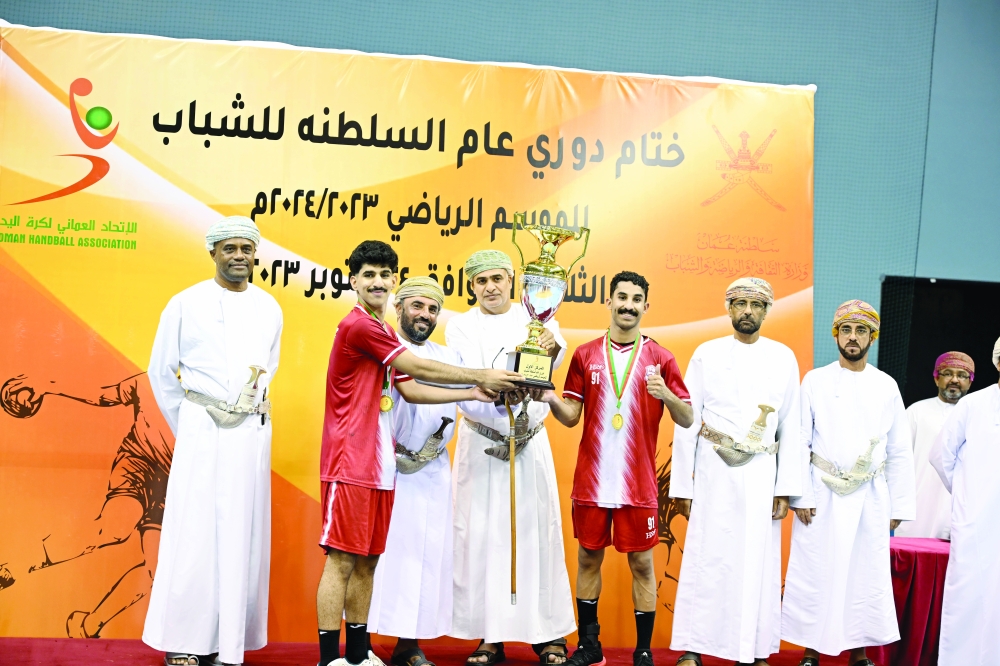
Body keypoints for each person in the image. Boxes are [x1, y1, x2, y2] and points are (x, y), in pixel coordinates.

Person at [317, 242, 521, 666]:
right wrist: (481, 375)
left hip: (379, 465)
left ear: (392, 281)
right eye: (368, 274)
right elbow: (419, 369)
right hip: (350, 461)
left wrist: (474, 392)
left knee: (369, 561)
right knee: (341, 562)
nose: (377, 282)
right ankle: (328, 659)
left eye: (384, 275)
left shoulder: (381, 331)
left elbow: (410, 388)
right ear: (354, 281)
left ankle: (358, 658)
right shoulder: (361, 326)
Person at [143, 215, 283, 666]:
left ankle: (229, 644)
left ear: (255, 254)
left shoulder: (270, 307)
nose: (239, 256)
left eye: (246, 248)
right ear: (213, 253)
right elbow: (161, 372)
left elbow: (269, 369)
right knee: (194, 533)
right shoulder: (185, 303)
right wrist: (191, 424)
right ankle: (183, 640)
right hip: (201, 431)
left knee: (242, 534)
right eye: (230, 248)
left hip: (251, 436)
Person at [542, 271, 693, 666]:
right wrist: (548, 396)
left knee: (642, 563)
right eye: (621, 297)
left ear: (646, 306)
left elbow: (688, 417)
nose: (628, 305)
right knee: (588, 559)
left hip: (637, 485)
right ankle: (589, 647)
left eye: (636, 299)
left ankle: (643, 650)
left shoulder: (661, 358)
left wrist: (666, 395)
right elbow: (571, 416)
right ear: (609, 302)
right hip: (592, 482)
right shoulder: (585, 354)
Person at [367, 277, 513, 666]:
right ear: (398, 307)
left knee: (422, 560)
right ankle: (360, 643)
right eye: (417, 306)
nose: (425, 315)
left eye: (433, 309)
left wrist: (509, 399)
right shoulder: (383, 348)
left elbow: (476, 404)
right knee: (375, 558)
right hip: (387, 469)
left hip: (432, 471)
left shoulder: (449, 357)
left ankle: (408, 645)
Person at [445, 249, 576, 666]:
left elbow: (550, 361)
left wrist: (550, 348)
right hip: (482, 442)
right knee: (484, 538)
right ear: (471, 286)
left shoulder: (537, 318)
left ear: (512, 280)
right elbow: (470, 378)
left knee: (538, 536)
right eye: (481, 281)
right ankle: (490, 636)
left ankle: (548, 634)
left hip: (530, 443)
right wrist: (503, 391)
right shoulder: (460, 325)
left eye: (497, 278)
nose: (490, 288)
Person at [669, 277, 802, 666]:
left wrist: (785, 489)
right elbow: (688, 421)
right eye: (740, 304)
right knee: (706, 558)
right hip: (714, 473)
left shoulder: (783, 357)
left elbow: (790, 426)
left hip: (762, 476)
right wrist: (683, 486)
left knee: (757, 562)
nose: (747, 311)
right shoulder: (706, 354)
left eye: (756, 305)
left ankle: (755, 651)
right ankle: (693, 648)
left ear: (766, 311)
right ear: (728, 308)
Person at [782, 300, 916, 666]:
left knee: (864, 574)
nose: (852, 337)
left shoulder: (886, 385)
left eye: (860, 331)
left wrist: (898, 506)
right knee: (816, 570)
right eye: (846, 330)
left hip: (870, 498)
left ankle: (859, 653)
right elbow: (799, 439)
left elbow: (899, 450)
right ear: (836, 335)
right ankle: (811, 651)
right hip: (821, 493)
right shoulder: (815, 380)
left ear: (872, 337)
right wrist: (800, 495)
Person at [0, 373, 170, 639]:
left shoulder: (214, 393)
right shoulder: (150, 380)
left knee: (155, 569)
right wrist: (47, 384)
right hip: (140, 463)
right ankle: (14, 565)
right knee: (115, 527)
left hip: (176, 478)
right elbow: (103, 395)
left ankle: (87, 625)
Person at [929, 336, 1000, 666]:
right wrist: (968, 496)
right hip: (977, 522)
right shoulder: (974, 405)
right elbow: (940, 455)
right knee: (971, 596)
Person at [894, 351, 974, 539]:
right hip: (917, 507)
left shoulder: (976, 415)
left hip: (958, 509)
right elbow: (898, 461)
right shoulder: (917, 411)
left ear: (970, 382)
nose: (954, 380)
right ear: (936, 378)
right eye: (948, 373)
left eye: (962, 375)